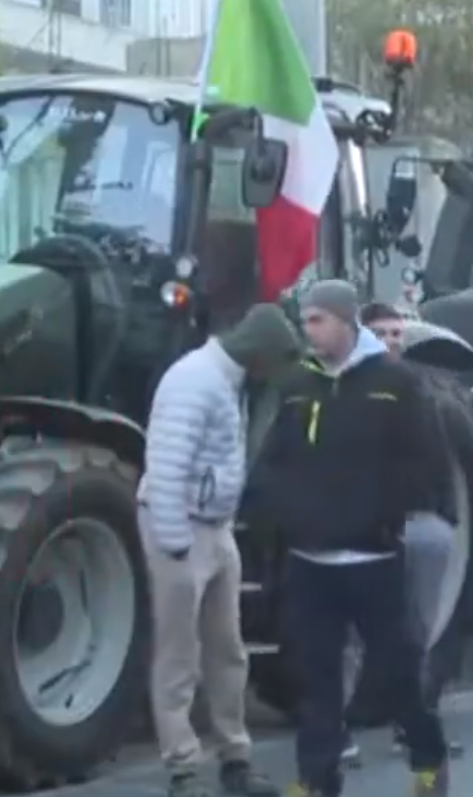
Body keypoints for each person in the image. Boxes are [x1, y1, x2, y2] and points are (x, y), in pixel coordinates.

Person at [262, 280, 452, 797]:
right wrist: (286, 514)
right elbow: (275, 460)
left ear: (346, 321)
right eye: (305, 321)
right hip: (310, 560)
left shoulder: (396, 383)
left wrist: (381, 513)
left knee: (397, 672)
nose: (308, 331)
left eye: (318, 320)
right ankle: (317, 779)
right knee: (317, 678)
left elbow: (425, 462)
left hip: (372, 558)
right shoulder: (297, 384)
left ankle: (428, 756)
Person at [140, 304, 299, 797]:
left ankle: (235, 759)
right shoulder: (195, 382)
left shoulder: (230, 383)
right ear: (261, 355)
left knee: (227, 650)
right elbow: (166, 466)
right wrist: (175, 543)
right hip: (181, 526)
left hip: (212, 526)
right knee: (179, 655)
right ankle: (183, 770)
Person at [343, 301, 464, 763]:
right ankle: (338, 731)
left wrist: (445, 516)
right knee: (352, 634)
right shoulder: (348, 389)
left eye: (397, 333)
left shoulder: (419, 388)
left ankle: (412, 725)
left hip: (421, 522)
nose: (392, 341)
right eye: (382, 333)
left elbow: (439, 456)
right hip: (368, 526)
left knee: (418, 630)